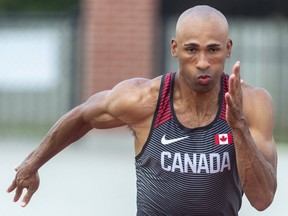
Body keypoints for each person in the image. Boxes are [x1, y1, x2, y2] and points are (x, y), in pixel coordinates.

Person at [7, 5, 277, 216]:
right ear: (175, 48)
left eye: (213, 50)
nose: (203, 62)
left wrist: (239, 129)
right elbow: (83, 116)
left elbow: (263, 199)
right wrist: (33, 163)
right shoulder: (145, 100)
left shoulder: (252, 104)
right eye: (191, 50)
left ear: (228, 49)